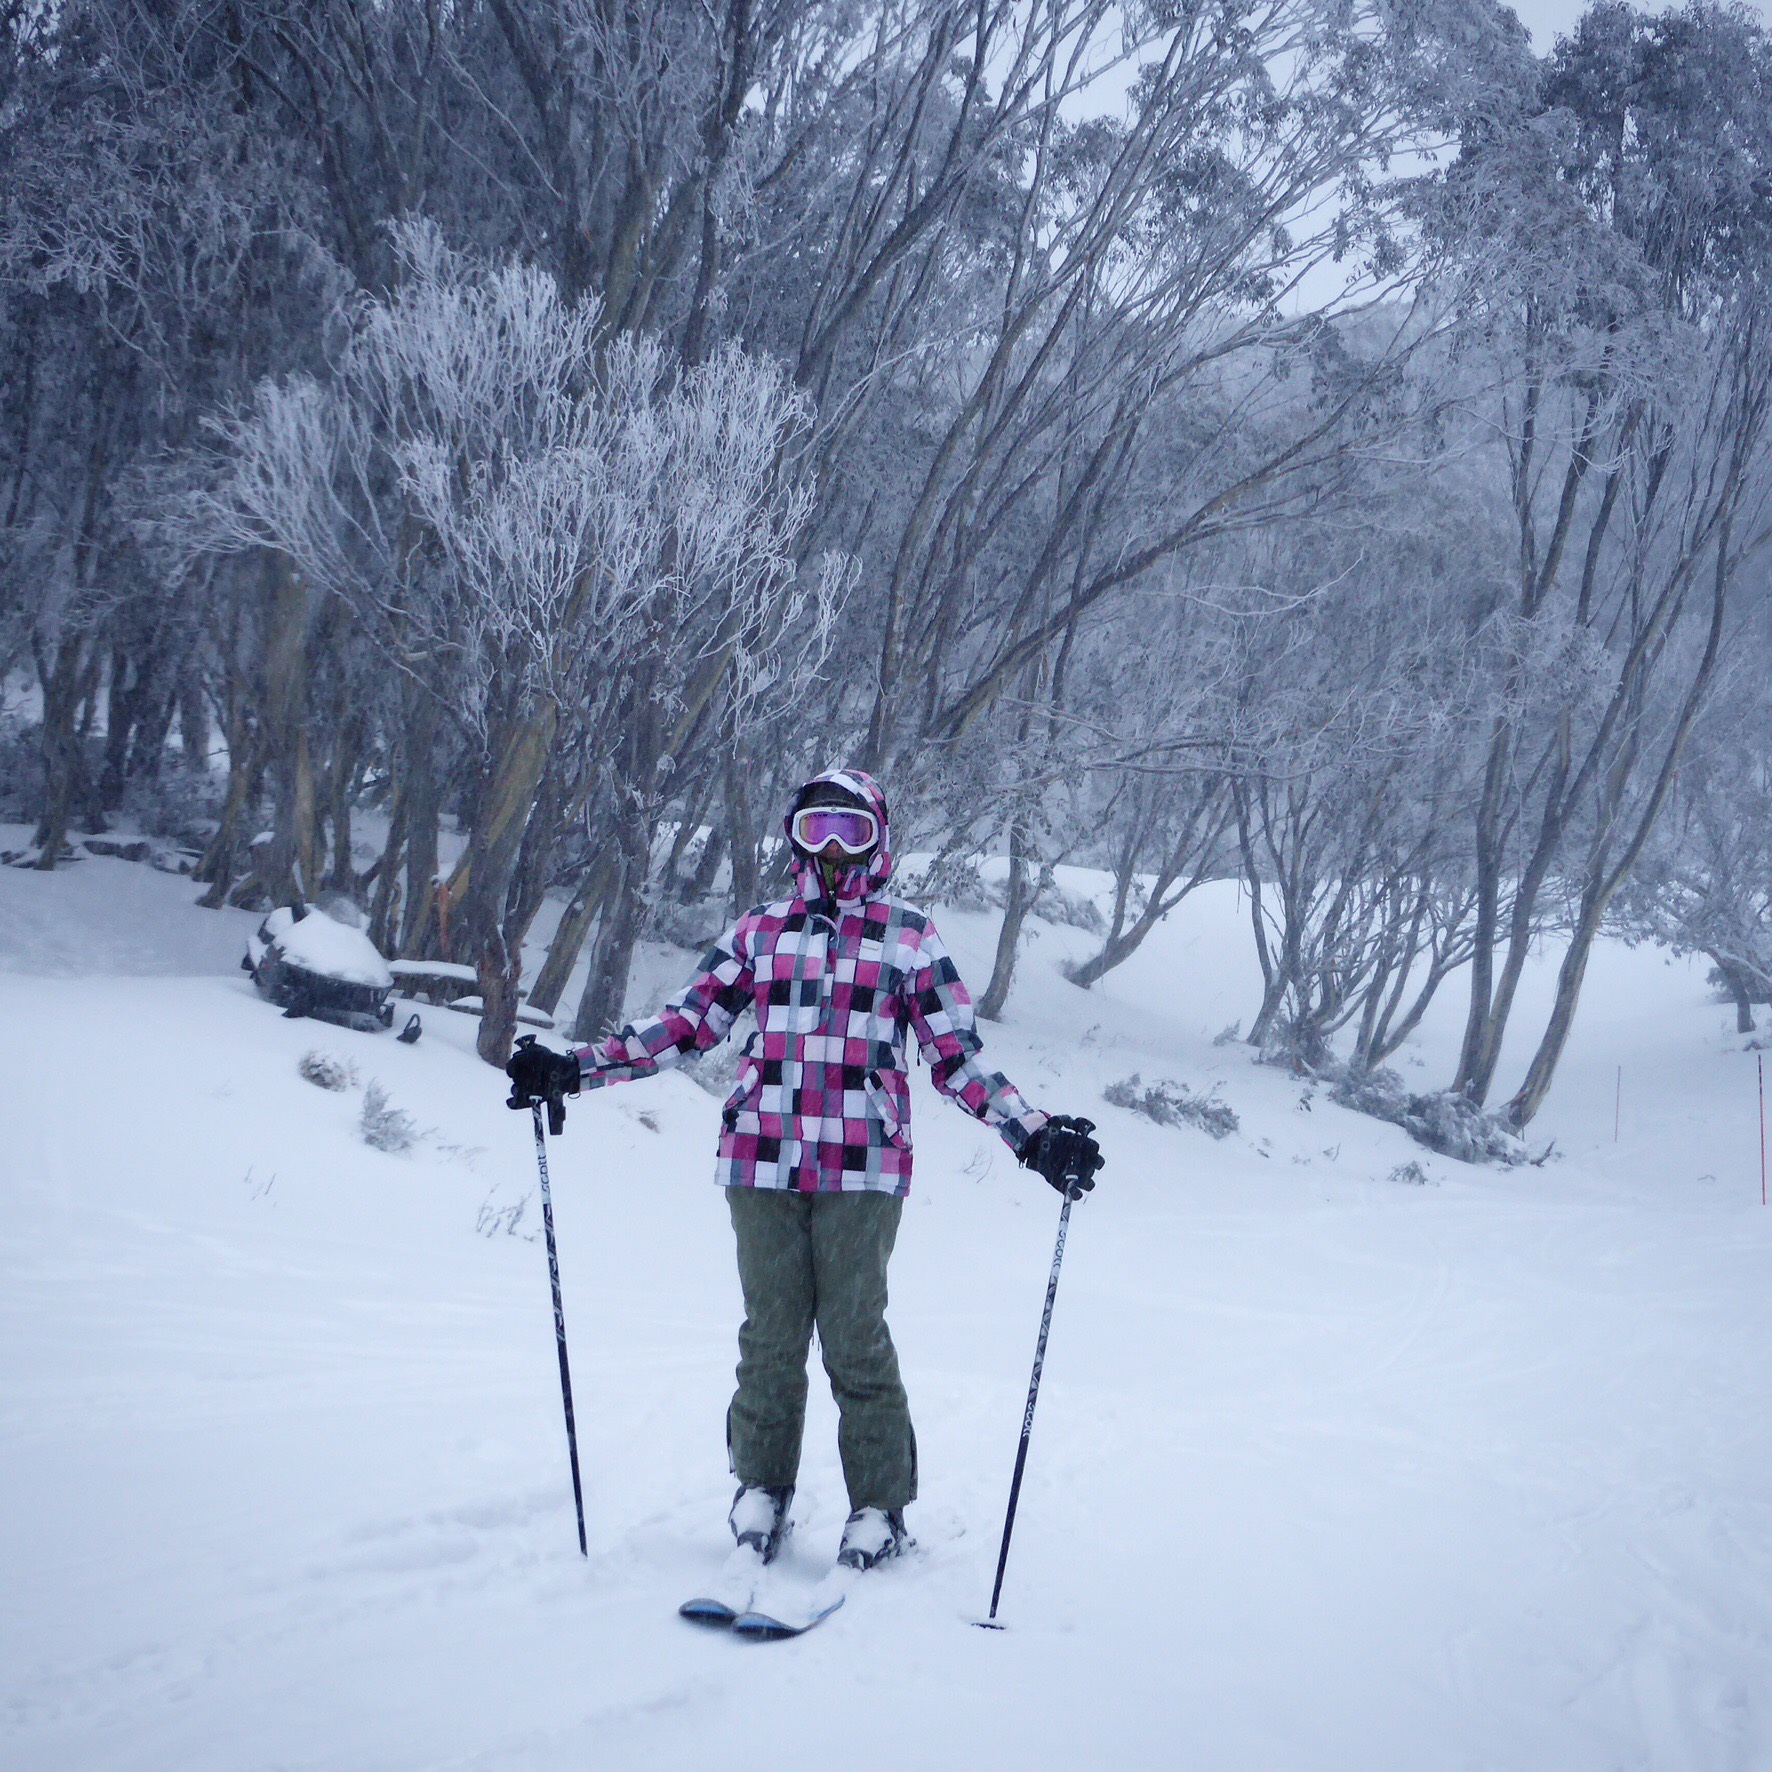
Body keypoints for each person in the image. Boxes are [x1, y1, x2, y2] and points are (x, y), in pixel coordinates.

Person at [506, 767, 1103, 1573]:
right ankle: (762, 1488)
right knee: (772, 1335)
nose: (829, 849)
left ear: (879, 840)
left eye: (849, 831)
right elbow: (686, 1026)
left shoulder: (910, 937)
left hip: (864, 1164)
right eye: (814, 829)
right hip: (761, 1155)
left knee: (855, 1336)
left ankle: (880, 1506)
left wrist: (1034, 1137)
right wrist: (574, 1067)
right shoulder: (760, 931)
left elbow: (956, 1061)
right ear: (792, 839)